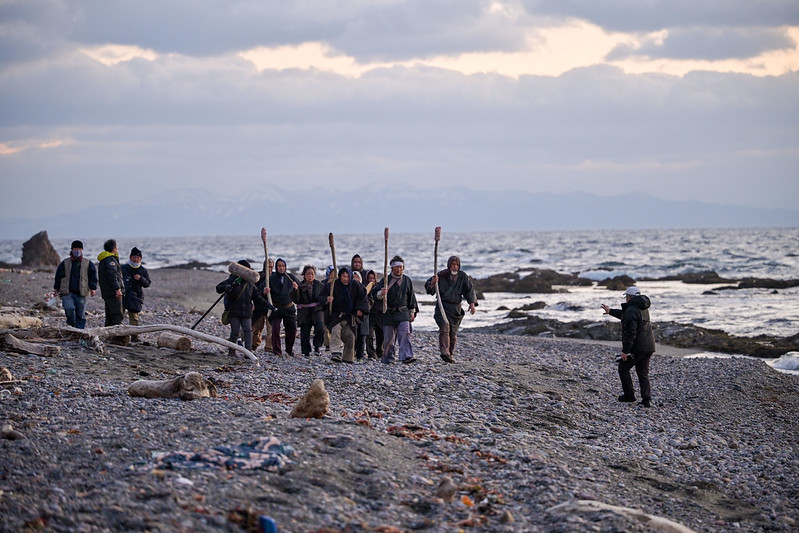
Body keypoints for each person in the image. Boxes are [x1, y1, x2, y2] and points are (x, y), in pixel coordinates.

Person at [602, 286, 656, 408]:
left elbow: (630, 333)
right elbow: (624, 314)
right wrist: (610, 311)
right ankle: (647, 400)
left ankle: (629, 396)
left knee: (623, 368)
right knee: (643, 373)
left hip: (638, 347)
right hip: (649, 346)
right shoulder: (643, 308)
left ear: (629, 297)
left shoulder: (632, 310)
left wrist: (625, 351)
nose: (626, 298)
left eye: (626, 296)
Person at [425, 255, 478, 363]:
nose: (454, 267)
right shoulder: (441, 275)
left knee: (453, 334)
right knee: (444, 329)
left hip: (455, 308)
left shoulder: (463, 276)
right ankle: (445, 352)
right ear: (449, 265)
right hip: (442, 306)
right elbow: (429, 288)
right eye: (453, 265)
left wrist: (472, 304)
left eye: (456, 265)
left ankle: (451, 354)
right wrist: (433, 283)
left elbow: (469, 289)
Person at [216, 260, 268, 356]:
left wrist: (269, 306)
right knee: (235, 332)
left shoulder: (250, 284)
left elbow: (258, 298)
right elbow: (219, 288)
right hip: (234, 311)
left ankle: (248, 352)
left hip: (246, 312)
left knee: (248, 332)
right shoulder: (232, 280)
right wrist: (227, 287)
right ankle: (232, 351)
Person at [375, 255, 419, 364]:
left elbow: (411, 297)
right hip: (388, 312)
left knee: (405, 333)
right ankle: (389, 358)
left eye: (401, 267)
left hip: (403, 312)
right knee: (389, 339)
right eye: (397, 267)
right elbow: (375, 295)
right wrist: (381, 293)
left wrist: (412, 312)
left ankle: (406, 356)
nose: (399, 269)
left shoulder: (407, 280)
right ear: (392, 268)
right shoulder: (385, 280)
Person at [325, 267, 369, 363]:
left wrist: (360, 309)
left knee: (350, 336)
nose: (345, 279)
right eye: (343, 276)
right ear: (340, 276)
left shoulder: (356, 286)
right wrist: (327, 299)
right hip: (337, 316)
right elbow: (322, 296)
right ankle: (336, 353)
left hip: (350, 316)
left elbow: (363, 298)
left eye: (347, 277)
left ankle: (348, 358)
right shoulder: (333, 285)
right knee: (336, 330)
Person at [53, 240, 97, 329]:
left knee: (81, 314)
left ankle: (79, 330)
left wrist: (93, 288)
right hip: (67, 292)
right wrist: (56, 288)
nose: (78, 251)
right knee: (68, 308)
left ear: (82, 250)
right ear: (72, 250)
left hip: (81, 292)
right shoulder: (65, 262)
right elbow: (58, 275)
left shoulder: (88, 263)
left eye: (80, 249)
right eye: (76, 249)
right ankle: (71, 323)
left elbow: (93, 276)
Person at [267, 258, 299, 356]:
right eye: (279, 266)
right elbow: (261, 292)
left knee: (292, 330)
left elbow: (300, 289)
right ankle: (277, 351)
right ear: (276, 267)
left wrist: (296, 288)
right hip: (276, 308)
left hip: (289, 307)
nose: (282, 268)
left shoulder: (290, 277)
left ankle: (289, 350)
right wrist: (265, 291)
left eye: (283, 266)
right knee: (275, 330)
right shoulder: (271, 278)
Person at [121, 247, 151, 342]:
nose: (135, 259)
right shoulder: (124, 268)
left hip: (135, 296)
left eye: (137, 258)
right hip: (123, 295)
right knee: (119, 315)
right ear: (130, 257)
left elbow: (147, 283)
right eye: (133, 257)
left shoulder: (142, 270)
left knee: (134, 317)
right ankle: (118, 335)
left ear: (140, 259)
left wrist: (140, 278)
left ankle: (134, 336)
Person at [296, 265, 326, 357]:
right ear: (304, 275)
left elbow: (324, 296)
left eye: (312, 274)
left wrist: (326, 300)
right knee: (305, 332)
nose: (310, 276)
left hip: (317, 310)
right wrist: (295, 290)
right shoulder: (300, 286)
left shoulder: (319, 285)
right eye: (308, 274)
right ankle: (306, 351)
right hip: (304, 310)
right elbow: (296, 299)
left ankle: (317, 347)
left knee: (320, 328)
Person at [252, 259, 275, 351]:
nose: (269, 269)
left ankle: (269, 347)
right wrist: (263, 292)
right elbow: (254, 292)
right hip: (259, 306)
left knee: (271, 329)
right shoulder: (257, 277)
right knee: (257, 328)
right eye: (268, 266)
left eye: (271, 267)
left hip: (271, 306)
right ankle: (254, 344)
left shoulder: (274, 277)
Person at [364, 270, 383, 360]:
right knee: (369, 335)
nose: (371, 280)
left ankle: (380, 351)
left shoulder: (379, 288)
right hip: (369, 315)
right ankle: (371, 353)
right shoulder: (365, 288)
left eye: (373, 278)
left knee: (380, 335)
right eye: (369, 278)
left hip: (379, 314)